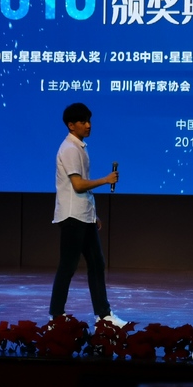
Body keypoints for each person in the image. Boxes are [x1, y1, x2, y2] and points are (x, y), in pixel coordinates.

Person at [49, 103, 127, 327]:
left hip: (84, 216)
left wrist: (93, 215)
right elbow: (78, 184)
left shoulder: (79, 147)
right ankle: (56, 315)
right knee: (68, 266)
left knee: (96, 263)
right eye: (83, 121)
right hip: (72, 216)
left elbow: (81, 188)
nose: (88, 125)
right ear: (71, 125)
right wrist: (106, 180)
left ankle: (103, 314)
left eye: (89, 120)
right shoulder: (70, 149)